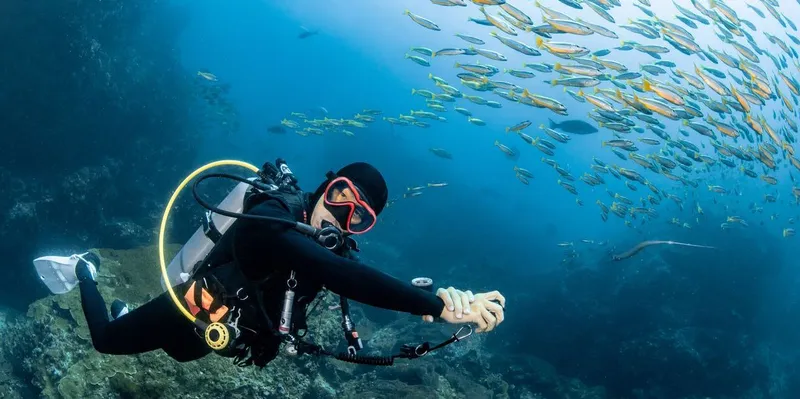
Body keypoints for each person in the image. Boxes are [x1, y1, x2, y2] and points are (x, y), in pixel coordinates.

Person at [67, 161, 506, 366]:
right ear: (326, 186)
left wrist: (446, 305)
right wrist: (431, 302)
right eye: (340, 196)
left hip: (226, 332)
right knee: (107, 342)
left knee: (180, 354)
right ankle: (84, 268)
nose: (340, 215)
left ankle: (130, 315)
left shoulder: (334, 252)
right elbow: (344, 276)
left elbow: (364, 292)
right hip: (194, 303)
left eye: (359, 216)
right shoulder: (271, 218)